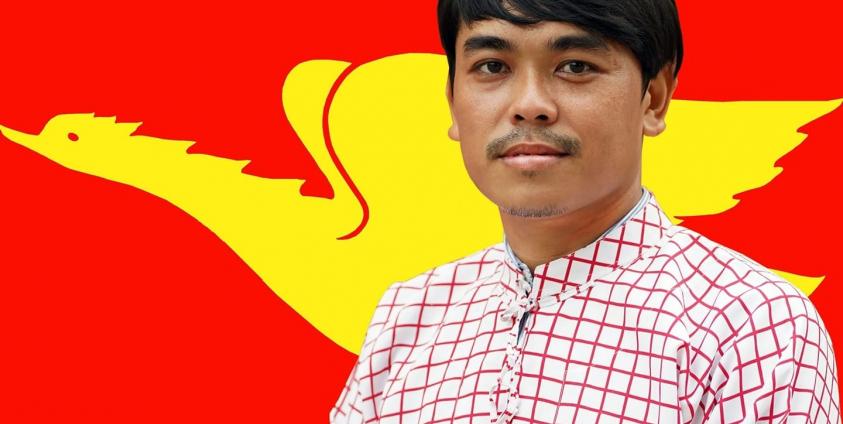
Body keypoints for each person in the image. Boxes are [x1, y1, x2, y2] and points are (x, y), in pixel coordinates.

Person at [331, 0, 840, 422]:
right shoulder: (410, 315)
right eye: (493, 67)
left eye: (575, 66)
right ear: (452, 101)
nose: (530, 104)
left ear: (654, 97)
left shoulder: (752, 327)